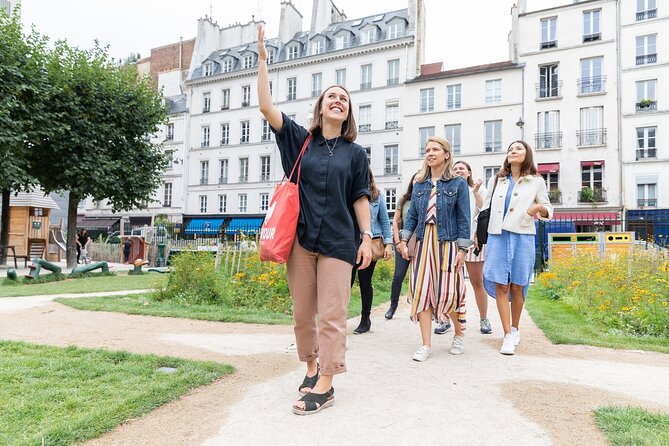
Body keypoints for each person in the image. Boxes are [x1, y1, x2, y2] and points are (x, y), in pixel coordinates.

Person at [257, 25, 372, 415]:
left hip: (340, 242)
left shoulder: (355, 154)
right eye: (331, 97)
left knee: (333, 315)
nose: (337, 100)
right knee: (303, 313)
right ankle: (310, 366)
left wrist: (368, 237)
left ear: (348, 111)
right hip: (301, 242)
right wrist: (261, 63)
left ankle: (326, 381)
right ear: (321, 107)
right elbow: (267, 108)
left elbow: (360, 196)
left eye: (344, 98)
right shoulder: (299, 141)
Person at [397, 136, 471, 361]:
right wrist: (403, 240)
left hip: (447, 242)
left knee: (450, 291)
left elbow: (464, 219)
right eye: (427, 150)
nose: (430, 153)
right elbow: (411, 216)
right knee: (422, 291)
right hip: (423, 242)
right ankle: (426, 344)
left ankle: (458, 334)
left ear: (446, 154)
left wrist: (462, 250)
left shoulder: (458, 184)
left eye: (435, 149)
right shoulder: (419, 183)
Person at [481, 140, 553, 355]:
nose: (513, 151)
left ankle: (515, 327)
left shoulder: (537, 181)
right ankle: (507, 335)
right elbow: (486, 207)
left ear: (527, 154)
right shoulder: (497, 180)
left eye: (518, 148)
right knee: (502, 285)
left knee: (518, 286)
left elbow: (549, 209)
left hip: (522, 236)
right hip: (498, 236)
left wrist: (537, 208)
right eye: (510, 149)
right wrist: (478, 234)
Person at [452, 160, 492, 335]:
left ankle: (484, 319)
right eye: (455, 169)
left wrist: (475, 193)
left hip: (474, 241)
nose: (458, 170)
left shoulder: (477, 188)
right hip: (453, 243)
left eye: (462, 168)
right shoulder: (449, 189)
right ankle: (448, 319)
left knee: (477, 282)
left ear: (469, 172)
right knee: (451, 283)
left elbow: (484, 209)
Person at [351, 168, 393, 334]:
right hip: (350, 243)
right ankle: (339, 319)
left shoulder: (377, 195)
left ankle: (365, 319)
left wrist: (388, 244)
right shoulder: (348, 191)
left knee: (365, 282)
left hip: (370, 243)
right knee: (345, 283)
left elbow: (384, 220)